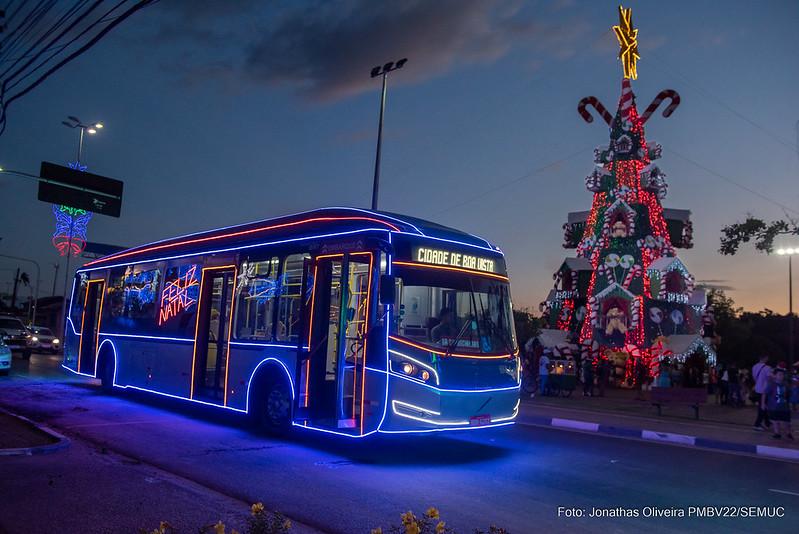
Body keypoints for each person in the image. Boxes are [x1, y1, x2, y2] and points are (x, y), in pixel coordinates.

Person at [764, 366, 793, 440]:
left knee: (787, 422)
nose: (781, 376)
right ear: (775, 375)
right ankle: (777, 433)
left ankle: (788, 433)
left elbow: (789, 394)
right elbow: (765, 394)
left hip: (784, 407)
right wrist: (763, 404)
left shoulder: (786, 385)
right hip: (774, 407)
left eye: (782, 375)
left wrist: (790, 403)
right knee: (775, 421)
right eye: (779, 374)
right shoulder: (771, 384)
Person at [752, 354, 773, 431]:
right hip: (764, 390)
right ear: (765, 358)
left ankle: (767, 422)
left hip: (757, 389)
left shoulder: (754, 367)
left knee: (763, 406)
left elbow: (754, 378)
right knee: (763, 407)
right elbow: (770, 378)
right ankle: (757, 424)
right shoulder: (767, 368)